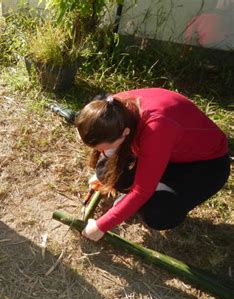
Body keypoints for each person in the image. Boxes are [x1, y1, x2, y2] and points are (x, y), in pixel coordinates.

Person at [74, 88, 230, 241]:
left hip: (204, 165)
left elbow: (142, 191)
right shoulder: (111, 109)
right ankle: (146, 187)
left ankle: (159, 189)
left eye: (106, 148)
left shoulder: (157, 129)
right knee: (106, 173)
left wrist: (101, 226)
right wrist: (105, 174)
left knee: (159, 214)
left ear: (125, 133)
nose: (104, 153)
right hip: (167, 151)